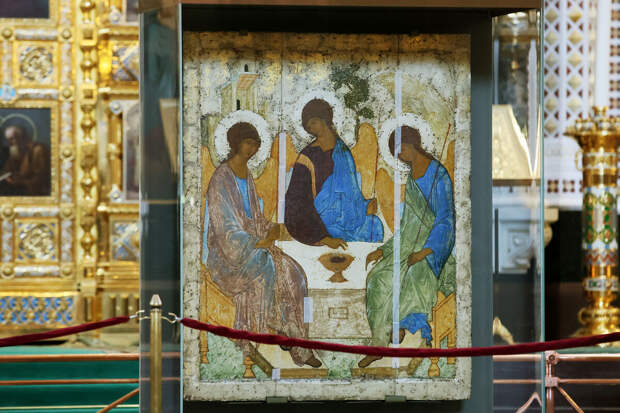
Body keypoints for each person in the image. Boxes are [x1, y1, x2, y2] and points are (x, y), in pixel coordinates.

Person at [205, 122, 321, 368]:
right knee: (266, 263)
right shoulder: (221, 178)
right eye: (248, 143)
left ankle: (300, 344)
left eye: (256, 144)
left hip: (254, 247)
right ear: (236, 143)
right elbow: (225, 230)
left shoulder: (246, 175)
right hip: (229, 258)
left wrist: (272, 229)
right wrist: (258, 242)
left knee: (295, 273)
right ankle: (271, 330)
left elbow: (254, 219)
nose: (252, 149)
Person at [358, 126, 456, 368]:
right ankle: (379, 343)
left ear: (411, 144)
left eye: (400, 150)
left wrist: (425, 252)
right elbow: (408, 224)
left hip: (433, 251)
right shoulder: (412, 179)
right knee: (377, 278)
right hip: (409, 246)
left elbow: (446, 219)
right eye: (396, 153)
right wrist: (385, 250)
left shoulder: (438, 175)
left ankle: (401, 327)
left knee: (414, 276)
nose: (400, 156)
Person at [285, 99, 383, 248]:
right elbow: (296, 200)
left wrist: (365, 206)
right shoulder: (307, 156)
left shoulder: (343, 151)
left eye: (314, 122)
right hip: (320, 220)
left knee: (374, 225)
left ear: (325, 119)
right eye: (308, 127)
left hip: (346, 216)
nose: (312, 129)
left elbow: (352, 192)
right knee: (335, 232)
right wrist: (323, 237)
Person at [0, 125, 50, 196]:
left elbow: (41, 179)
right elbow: (7, 170)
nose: (10, 143)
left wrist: (20, 182)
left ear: (21, 137)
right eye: (8, 140)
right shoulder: (16, 151)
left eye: (12, 139)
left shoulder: (38, 150)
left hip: (34, 192)